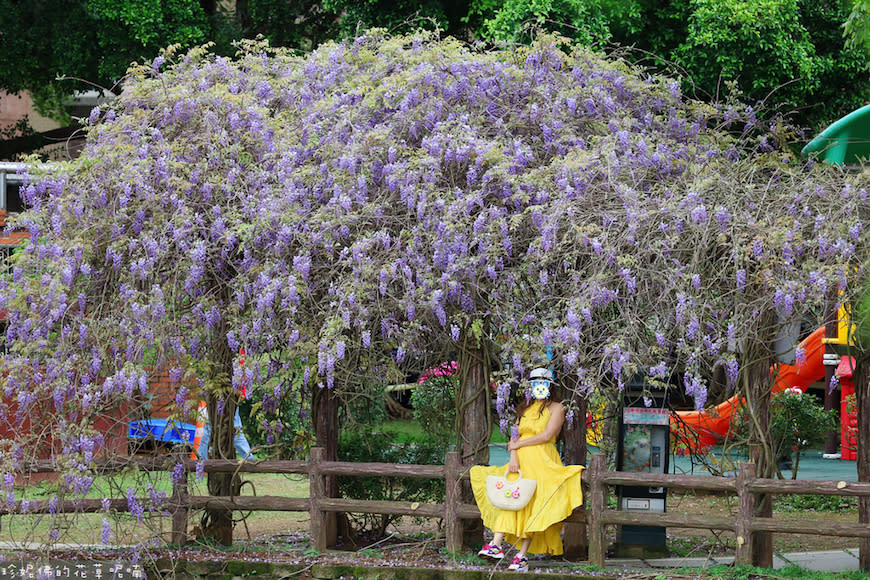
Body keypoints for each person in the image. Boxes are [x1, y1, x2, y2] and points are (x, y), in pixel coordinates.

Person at [469, 368, 584, 572]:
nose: (538, 386)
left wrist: (519, 445)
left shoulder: (558, 407)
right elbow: (514, 435)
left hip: (543, 459)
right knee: (511, 498)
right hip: (520, 461)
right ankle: (496, 544)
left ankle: (521, 555)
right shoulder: (524, 407)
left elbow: (547, 435)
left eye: (543, 382)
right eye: (535, 383)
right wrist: (514, 454)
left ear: (550, 385)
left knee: (533, 504)